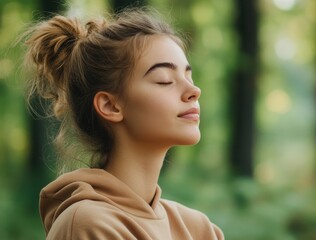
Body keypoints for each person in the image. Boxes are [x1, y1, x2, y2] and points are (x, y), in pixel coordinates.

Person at [23, 7, 224, 240]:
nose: (194, 91)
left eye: (189, 76)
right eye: (165, 80)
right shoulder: (88, 225)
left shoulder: (198, 229)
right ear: (110, 106)